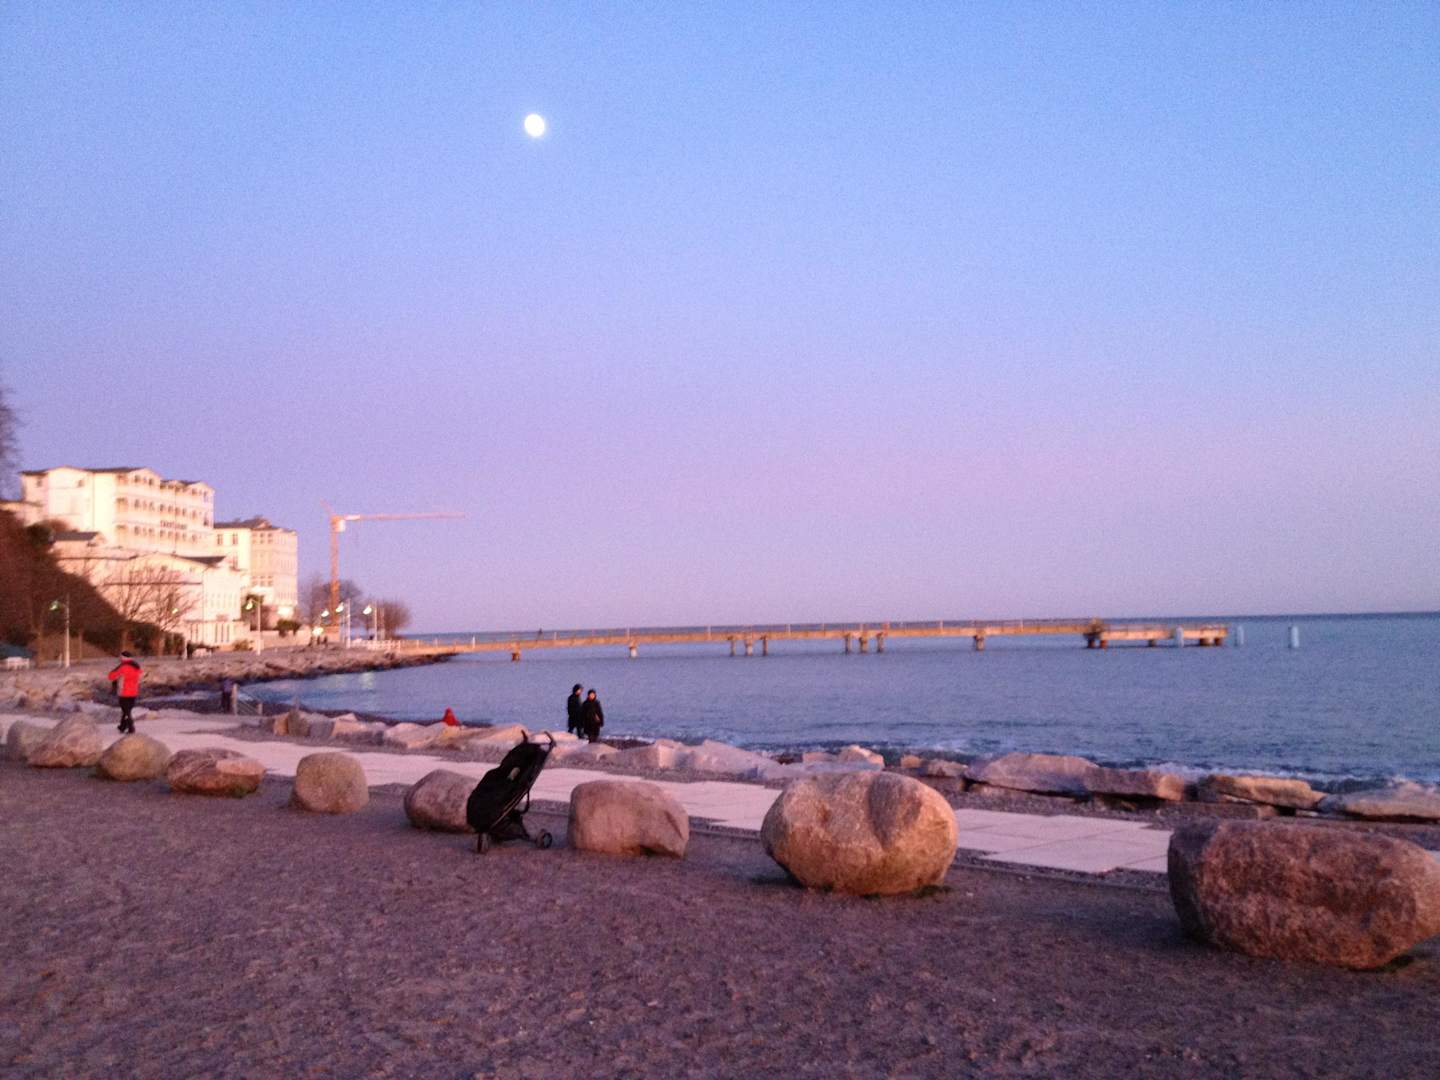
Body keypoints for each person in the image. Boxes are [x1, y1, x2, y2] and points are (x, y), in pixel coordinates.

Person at [108, 651, 143, 734]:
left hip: (124, 692)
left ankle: (131, 727)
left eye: (120, 657)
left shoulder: (122, 668)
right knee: (126, 710)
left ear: (123, 658)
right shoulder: (136, 667)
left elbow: (111, 676)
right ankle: (122, 726)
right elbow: (140, 677)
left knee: (126, 711)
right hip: (134, 692)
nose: (119, 659)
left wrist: (116, 670)